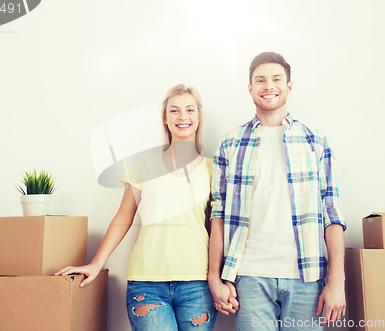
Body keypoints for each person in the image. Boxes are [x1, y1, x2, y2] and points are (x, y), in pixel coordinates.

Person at [56, 84, 218, 331]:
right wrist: (95, 263)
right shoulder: (143, 163)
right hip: (146, 283)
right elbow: (123, 217)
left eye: (189, 110)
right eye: (174, 111)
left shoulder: (213, 169)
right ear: (165, 118)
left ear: (198, 117)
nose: (183, 117)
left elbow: (221, 226)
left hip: (198, 283)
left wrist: (223, 278)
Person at [207, 52, 347, 330]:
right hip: (248, 276)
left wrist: (337, 280)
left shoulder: (315, 141)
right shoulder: (230, 144)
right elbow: (218, 215)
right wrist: (214, 276)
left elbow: (332, 213)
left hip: (307, 277)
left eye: (276, 79)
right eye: (260, 80)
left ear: (289, 86)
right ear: (250, 89)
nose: (268, 85)